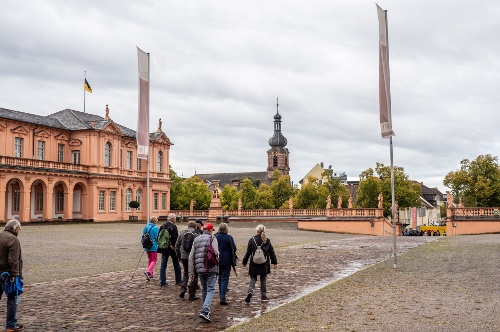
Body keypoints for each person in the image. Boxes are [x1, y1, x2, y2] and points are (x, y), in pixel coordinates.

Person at [189, 223, 218, 322]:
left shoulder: (196, 239)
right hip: (210, 267)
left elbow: (191, 256)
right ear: (210, 230)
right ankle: (205, 311)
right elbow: (216, 253)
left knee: (204, 289)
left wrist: (191, 272)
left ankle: (205, 309)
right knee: (211, 289)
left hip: (199, 268)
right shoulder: (213, 238)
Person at [242, 224, 278, 303]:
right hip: (264, 263)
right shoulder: (267, 240)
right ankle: (263, 296)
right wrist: (274, 262)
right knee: (263, 279)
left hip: (254, 262)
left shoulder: (252, 239)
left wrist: (244, 261)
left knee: (253, 278)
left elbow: (248, 252)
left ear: (257, 230)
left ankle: (250, 292)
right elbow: (271, 252)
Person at [0, 219, 24, 332]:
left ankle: (12, 323)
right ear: (15, 228)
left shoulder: (1, 236)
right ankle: (10, 325)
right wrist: (15, 275)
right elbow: (13, 260)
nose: (18, 231)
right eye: (18, 229)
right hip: (7, 274)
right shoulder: (13, 239)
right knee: (12, 299)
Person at [175, 220, 199, 299]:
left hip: (184, 256)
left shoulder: (182, 233)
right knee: (194, 274)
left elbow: (177, 245)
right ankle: (192, 293)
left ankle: (183, 288)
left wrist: (179, 256)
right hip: (194, 256)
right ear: (195, 226)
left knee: (185, 272)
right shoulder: (196, 234)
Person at [214, 222, 236, 305]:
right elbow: (234, 248)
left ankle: (221, 294)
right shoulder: (229, 237)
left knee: (220, 277)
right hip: (227, 260)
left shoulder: (215, 237)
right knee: (224, 279)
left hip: (216, 259)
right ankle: (222, 297)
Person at [158, 213, 181, 287]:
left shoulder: (162, 226)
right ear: (173, 219)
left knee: (163, 265)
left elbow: (159, 237)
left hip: (164, 247)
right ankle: (178, 280)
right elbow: (176, 239)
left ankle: (162, 281)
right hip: (172, 248)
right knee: (176, 264)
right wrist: (176, 248)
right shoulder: (173, 227)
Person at [142, 216, 159, 281]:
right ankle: (149, 271)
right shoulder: (155, 228)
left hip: (147, 246)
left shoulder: (146, 227)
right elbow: (157, 237)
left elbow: (143, 236)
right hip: (153, 246)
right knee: (154, 259)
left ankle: (151, 274)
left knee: (149, 259)